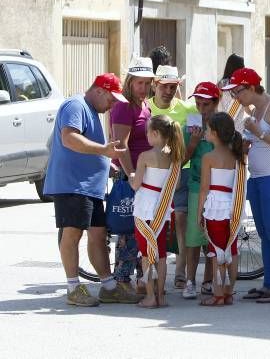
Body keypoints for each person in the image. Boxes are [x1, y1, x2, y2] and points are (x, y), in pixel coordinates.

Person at [43, 73, 139, 307]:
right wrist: (103, 152)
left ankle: (109, 287)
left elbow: (88, 147)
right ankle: (73, 287)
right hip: (73, 185)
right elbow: (69, 138)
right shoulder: (75, 105)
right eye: (111, 99)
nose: (113, 104)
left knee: (97, 235)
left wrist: (107, 164)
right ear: (99, 90)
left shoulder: (92, 110)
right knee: (72, 234)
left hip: (88, 187)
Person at [222, 68, 270, 304]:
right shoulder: (254, 110)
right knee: (264, 234)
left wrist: (258, 134)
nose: (235, 98)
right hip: (259, 177)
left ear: (251, 88)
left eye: (238, 92)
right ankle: (269, 285)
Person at [129, 115, 186, 308]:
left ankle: (150, 296)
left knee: (146, 253)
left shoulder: (145, 156)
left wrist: (131, 177)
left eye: (147, 132)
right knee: (161, 254)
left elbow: (136, 185)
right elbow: (176, 185)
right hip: (163, 209)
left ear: (155, 134)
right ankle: (161, 296)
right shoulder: (174, 157)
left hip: (145, 206)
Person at [148, 64, 196, 290]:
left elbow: (201, 134)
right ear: (155, 85)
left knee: (181, 221)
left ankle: (180, 272)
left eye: (173, 86)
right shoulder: (145, 108)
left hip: (183, 172)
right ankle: (150, 271)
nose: (169, 90)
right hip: (154, 175)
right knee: (151, 222)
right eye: (165, 86)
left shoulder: (189, 109)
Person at [110, 56, 156, 293]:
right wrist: (130, 176)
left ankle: (141, 280)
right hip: (131, 176)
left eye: (148, 83)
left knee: (141, 228)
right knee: (128, 230)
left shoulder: (144, 104)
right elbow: (121, 145)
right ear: (130, 82)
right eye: (140, 83)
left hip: (145, 176)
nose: (144, 88)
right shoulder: (123, 106)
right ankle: (121, 281)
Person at [197, 112, 247, 306]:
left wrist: (199, 212)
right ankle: (229, 292)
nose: (205, 132)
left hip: (215, 206)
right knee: (230, 250)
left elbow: (204, 188)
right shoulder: (237, 156)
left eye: (208, 130)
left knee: (216, 251)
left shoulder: (209, 157)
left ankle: (218, 293)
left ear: (215, 133)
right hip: (232, 205)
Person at [182, 81, 220, 299]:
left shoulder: (223, 124)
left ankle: (208, 280)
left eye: (206, 105)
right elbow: (182, 158)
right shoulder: (191, 124)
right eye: (198, 104)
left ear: (215, 103)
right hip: (197, 186)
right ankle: (189, 281)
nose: (201, 109)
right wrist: (193, 142)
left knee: (213, 235)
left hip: (217, 187)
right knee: (193, 236)